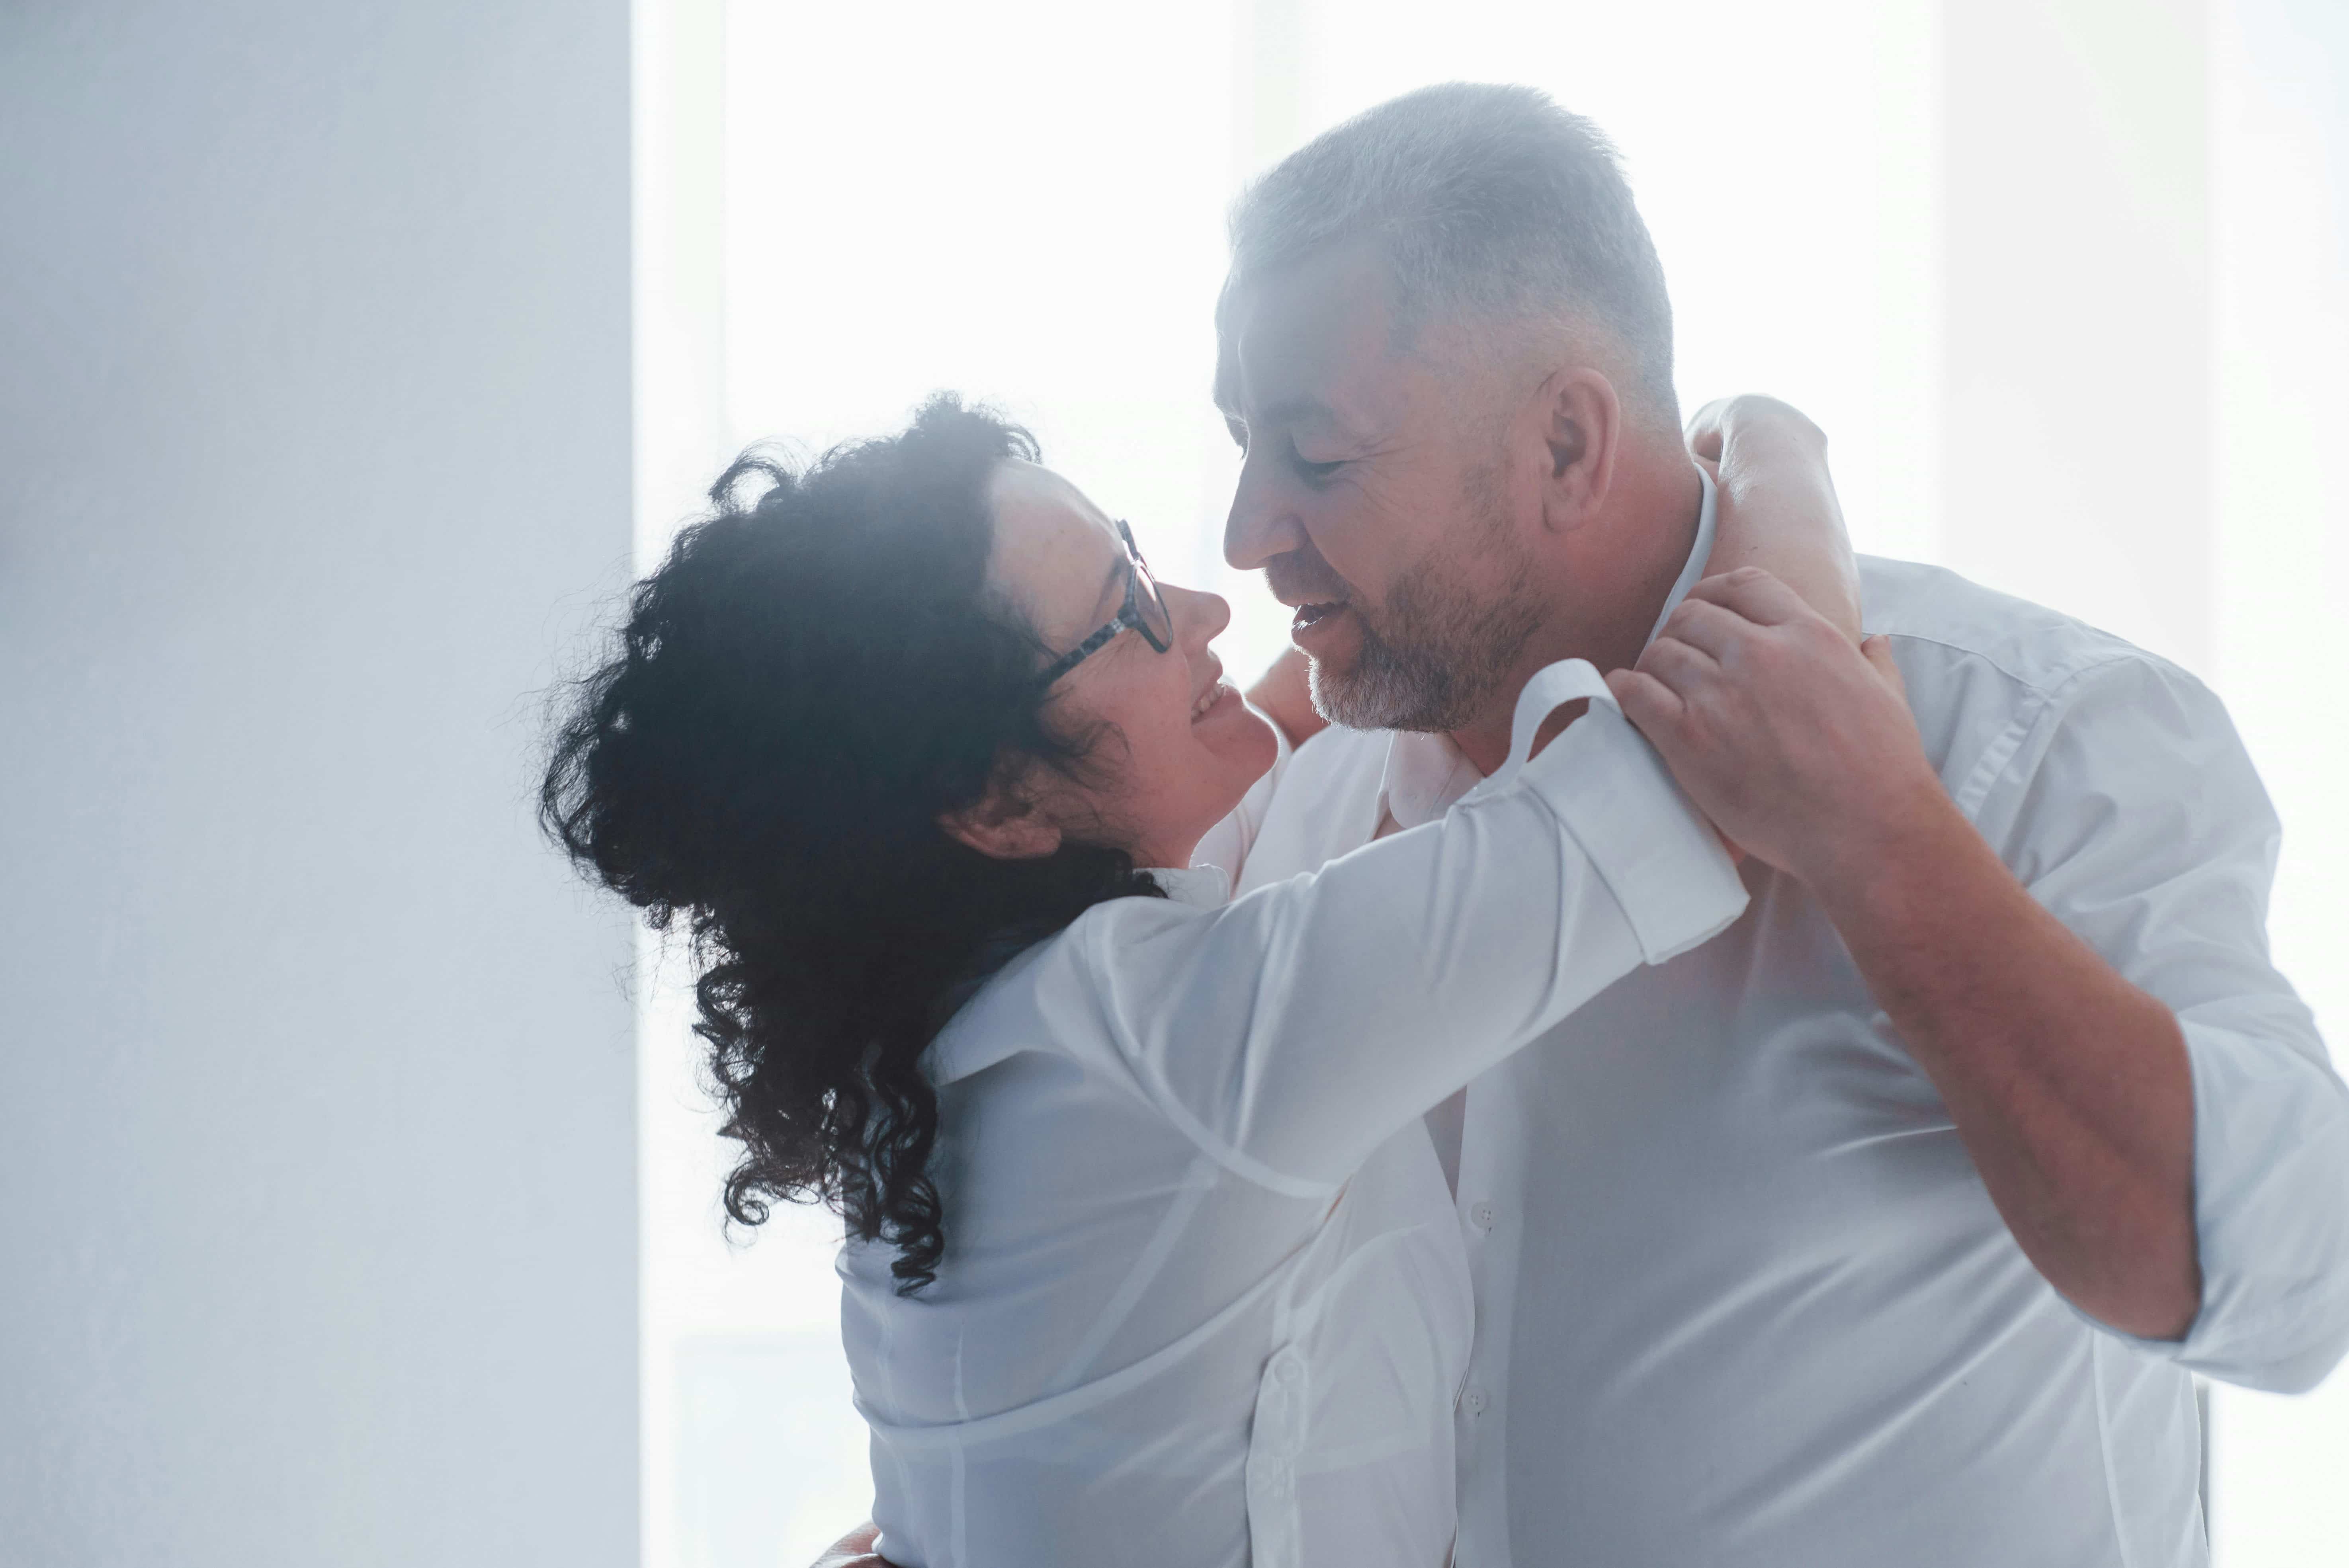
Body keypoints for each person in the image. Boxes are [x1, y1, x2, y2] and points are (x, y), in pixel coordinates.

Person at [1183, 83, 2349, 1568]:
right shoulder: (1292, 818)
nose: (1244, 532)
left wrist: (1881, 840)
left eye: (1315, 457)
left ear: (1564, 445)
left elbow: (2291, 1288)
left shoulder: (2026, 734)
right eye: (1241, 442)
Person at [546, 392, 1868, 1567]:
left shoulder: (960, 1037)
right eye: (1127, 612)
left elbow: (1282, 713)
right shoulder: (1183, 1040)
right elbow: (1725, 767)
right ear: (998, 804)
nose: (1204, 610)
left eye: (1135, 552)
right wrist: (1769, 440)